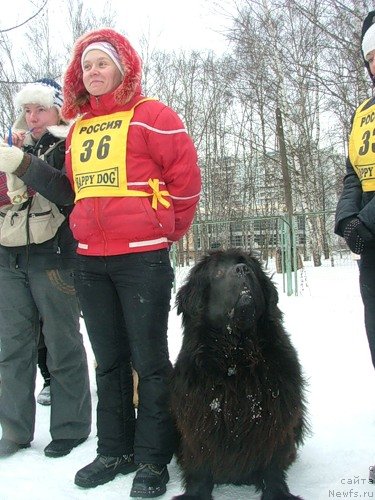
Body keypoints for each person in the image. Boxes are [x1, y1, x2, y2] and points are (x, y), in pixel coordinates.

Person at [0, 30, 201, 498]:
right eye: (86, 64)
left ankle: (153, 457)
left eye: (102, 63)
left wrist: (163, 231)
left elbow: (186, 179)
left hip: (142, 259)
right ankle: (114, 449)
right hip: (90, 260)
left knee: (149, 362)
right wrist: (20, 166)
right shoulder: (81, 127)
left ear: (123, 67)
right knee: (109, 362)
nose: (93, 71)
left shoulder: (153, 115)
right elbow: (70, 192)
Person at [0, 78, 92, 458]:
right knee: (11, 347)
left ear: (59, 110)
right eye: (26, 110)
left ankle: (70, 428)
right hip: (8, 256)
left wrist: (23, 164)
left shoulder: (72, 143)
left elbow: (68, 191)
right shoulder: (13, 145)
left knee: (62, 343)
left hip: (53, 256)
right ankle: (15, 431)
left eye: (40, 109)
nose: (32, 117)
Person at [335, 11, 375, 370]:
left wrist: (366, 219)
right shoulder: (362, 112)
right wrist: (346, 220)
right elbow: (353, 173)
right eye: (372, 57)